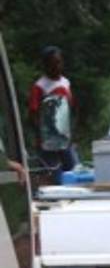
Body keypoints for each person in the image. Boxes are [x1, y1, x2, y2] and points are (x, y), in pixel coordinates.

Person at [27, 45, 79, 182]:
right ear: (45, 65)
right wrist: (43, 136)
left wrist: (71, 133)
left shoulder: (65, 83)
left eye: (59, 62)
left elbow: (70, 110)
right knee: (54, 175)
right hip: (48, 142)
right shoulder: (40, 86)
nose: (56, 66)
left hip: (65, 139)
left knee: (74, 172)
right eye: (52, 63)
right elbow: (33, 114)